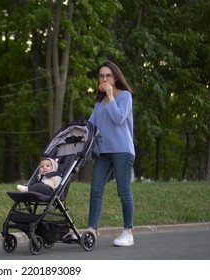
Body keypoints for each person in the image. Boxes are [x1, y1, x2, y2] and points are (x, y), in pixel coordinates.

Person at [87, 60, 135, 246]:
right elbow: (91, 125)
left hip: (122, 150)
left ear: (115, 78)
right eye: (101, 76)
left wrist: (110, 96)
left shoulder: (124, 96)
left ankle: (128, 232)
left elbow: (118, 119)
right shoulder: (99, 103)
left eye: (108, 75)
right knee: (96, 189)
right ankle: (92, 230)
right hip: (104, 152)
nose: (104, 78)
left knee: (123, 191)